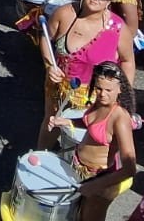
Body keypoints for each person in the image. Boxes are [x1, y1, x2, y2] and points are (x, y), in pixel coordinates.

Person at [40, 0, 136, 140]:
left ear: (108, 2)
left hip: (94, 95)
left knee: (84, 137)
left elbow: (128, 61)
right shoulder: (64, 13)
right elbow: (45, 36)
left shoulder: (118, 29)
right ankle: (40, 158)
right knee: (50, 123)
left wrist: (120, 92)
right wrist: (49, 65)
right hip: (57, 86)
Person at [47, 61, 134, 221]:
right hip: (79, 170)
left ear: (120, 89)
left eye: (108, 90)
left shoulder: (120, 118)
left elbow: (130, 168)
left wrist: (95, 185)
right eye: (99, 88)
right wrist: (68, 122)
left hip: (100, 179)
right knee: (73, 215)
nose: (102, 94)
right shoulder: (99, 103)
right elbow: (90, 123)